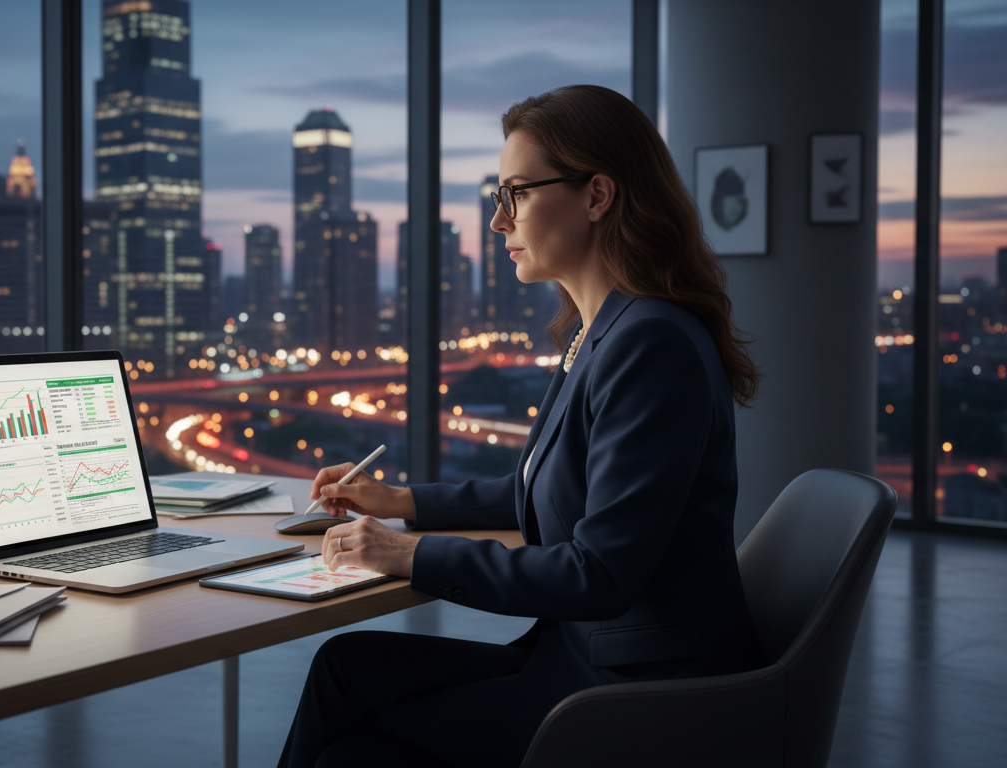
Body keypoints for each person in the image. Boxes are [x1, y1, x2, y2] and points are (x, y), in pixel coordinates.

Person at [276, 84, 767, 768]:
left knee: (349, 750)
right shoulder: (597, 330)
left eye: (517, 194)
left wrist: (405, 554)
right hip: (583, 655)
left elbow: (597, 573)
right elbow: (542, 487)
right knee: (344, 667)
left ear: (597, 197)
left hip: (636, 691)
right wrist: (401, 503)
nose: (499, 222)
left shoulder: (651, 344)